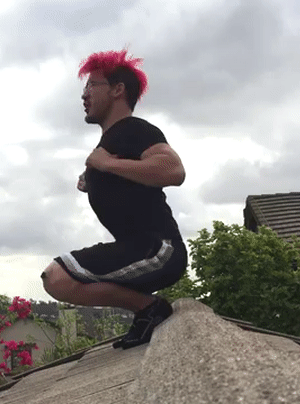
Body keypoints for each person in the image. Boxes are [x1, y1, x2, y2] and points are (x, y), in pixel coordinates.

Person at [41, 50, 187, 349]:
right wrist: (94, 180)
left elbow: (174, 170)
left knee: (58, 277)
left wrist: (106, 165)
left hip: (158, 248)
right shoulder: (114, 140)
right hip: (137, 247)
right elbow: (127, 179)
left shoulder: (134, 129)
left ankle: (149, 309)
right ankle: (147, 309)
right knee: (56, 278)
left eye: (92, 85)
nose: (84, 94)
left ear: (117, 89)